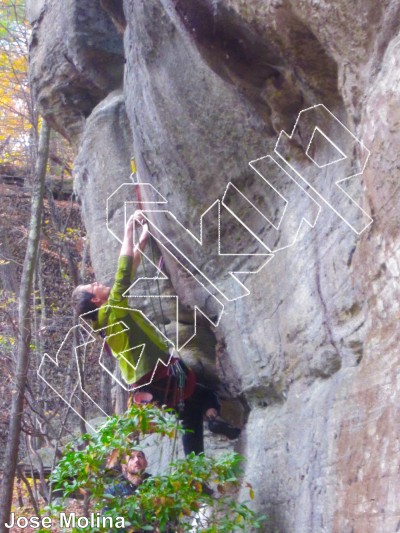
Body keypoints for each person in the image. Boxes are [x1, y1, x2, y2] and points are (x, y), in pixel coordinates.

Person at [72, 211, 240, 455]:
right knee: (200, 399)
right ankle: (211, 422)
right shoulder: (111, 311)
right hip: (159, 373)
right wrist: (129, 230)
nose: (98, 283)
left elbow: (128, 273)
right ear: (96, 299)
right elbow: (123, 272)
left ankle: (201, 456)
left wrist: (143, 238)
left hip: (151, 382)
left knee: (191, 412)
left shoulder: (105, 320)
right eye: (94, 286)